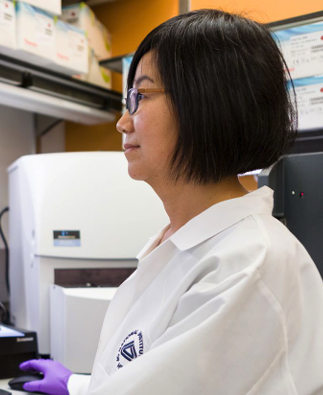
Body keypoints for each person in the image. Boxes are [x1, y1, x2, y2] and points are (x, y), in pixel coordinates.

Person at [18, 9, 323, 395]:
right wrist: (78, 386)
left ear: (208, 104)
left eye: (140, 97)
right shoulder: (188, 245)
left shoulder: (247, 264)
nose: (123, 123)